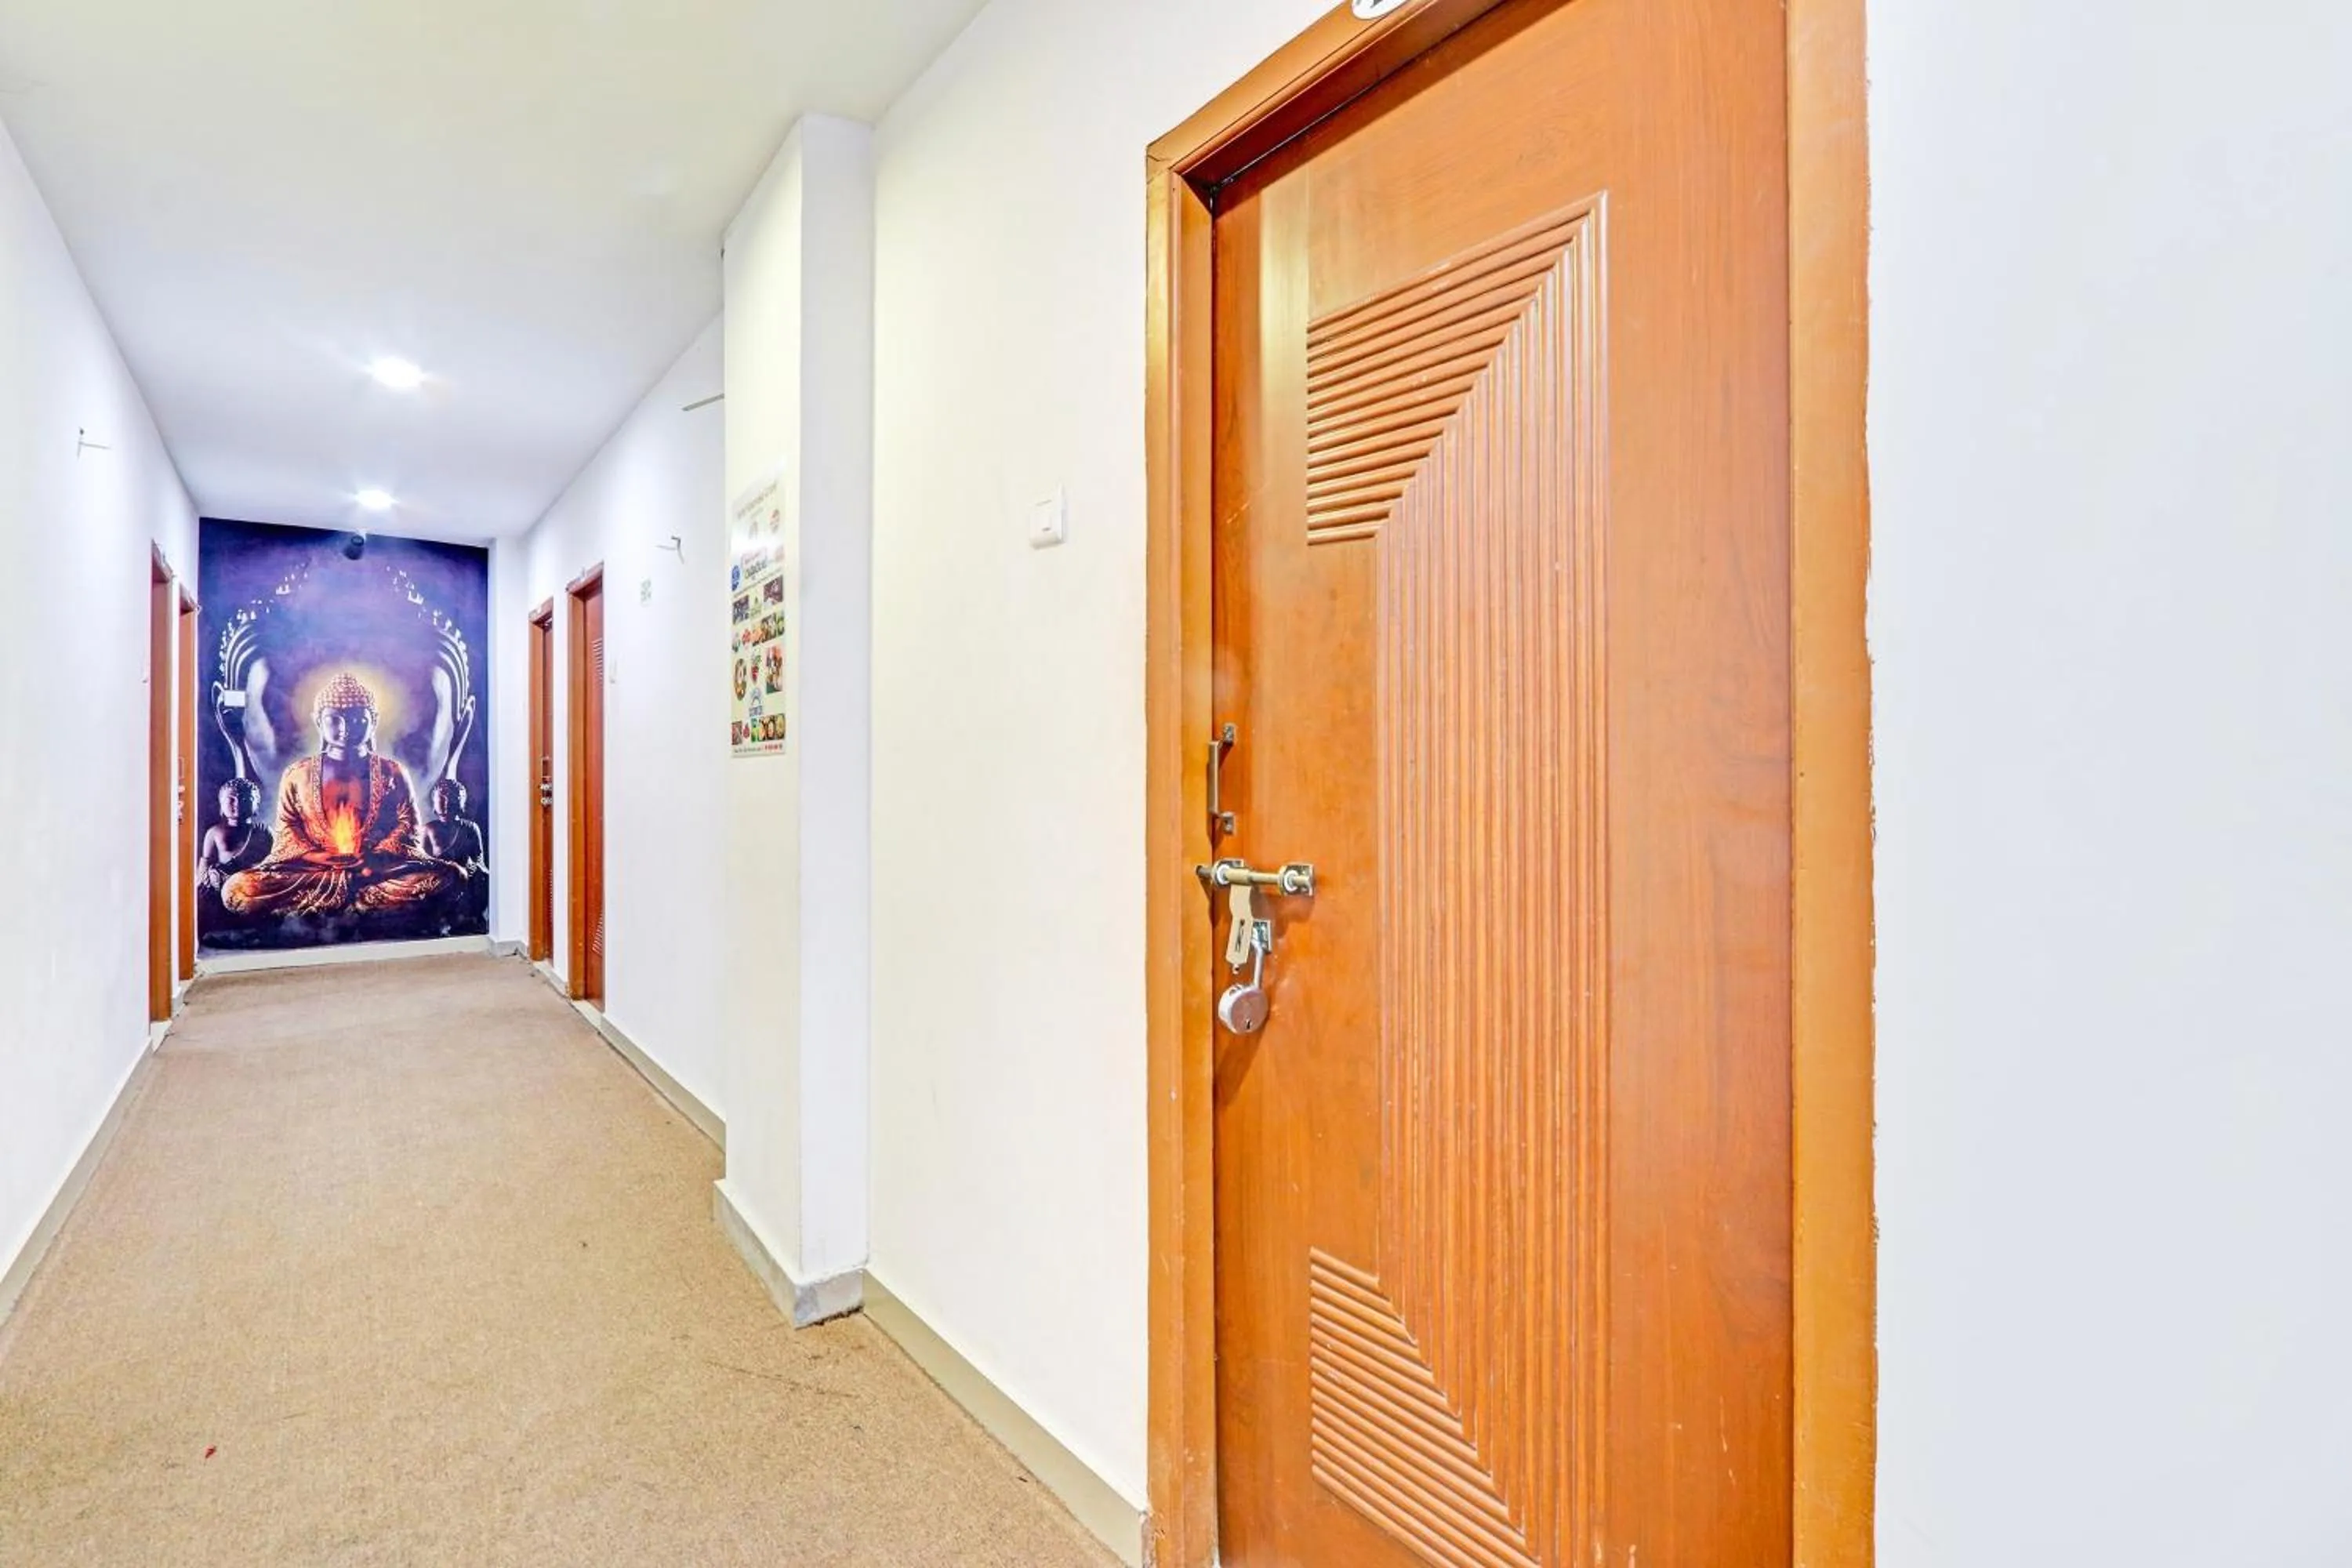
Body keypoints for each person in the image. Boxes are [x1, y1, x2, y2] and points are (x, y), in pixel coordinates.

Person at [222, 673, 457, 918]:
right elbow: (288, 828)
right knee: (238, 889)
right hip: (316, 871)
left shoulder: (393, 771)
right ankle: (365, 910)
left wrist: (375, 857)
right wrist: (317, 856)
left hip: (376, 871)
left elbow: (408, 825)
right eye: (335, 720)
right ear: (318, 722)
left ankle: (322, 912)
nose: (345, 729)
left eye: (357, 720)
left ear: (373, 720)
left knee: (450, 876)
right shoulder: (297, 774)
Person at [196, 778, 271, 894]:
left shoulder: (263, 831)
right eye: (231, 799)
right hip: (222, 889)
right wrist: (208, 881)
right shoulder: (214, 833)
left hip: (254, 888)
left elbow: (276, 861)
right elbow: (204, 869)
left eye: (246, 799)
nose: (238, 804)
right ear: (221, 804)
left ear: (256, 805)